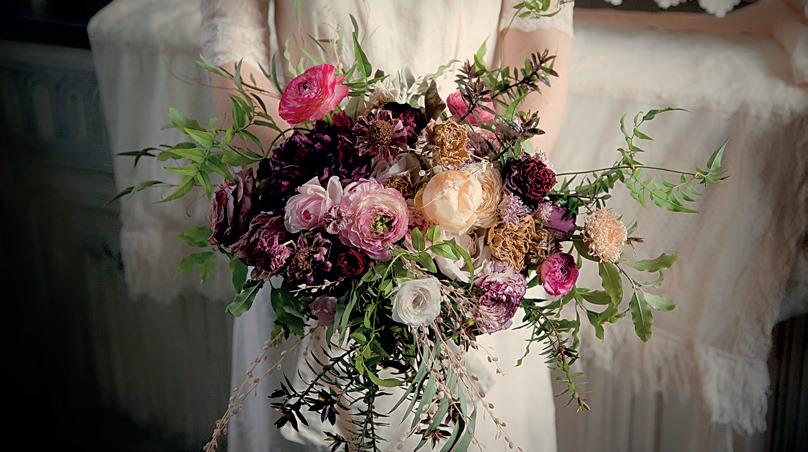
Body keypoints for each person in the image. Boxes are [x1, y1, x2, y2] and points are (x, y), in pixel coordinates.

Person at [201, 1, 574, 450]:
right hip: (309, 229)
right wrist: (318, 188)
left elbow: (538, 51)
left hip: (471, 240)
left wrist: (471, 196)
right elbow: (233, 47)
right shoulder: (311, 209)